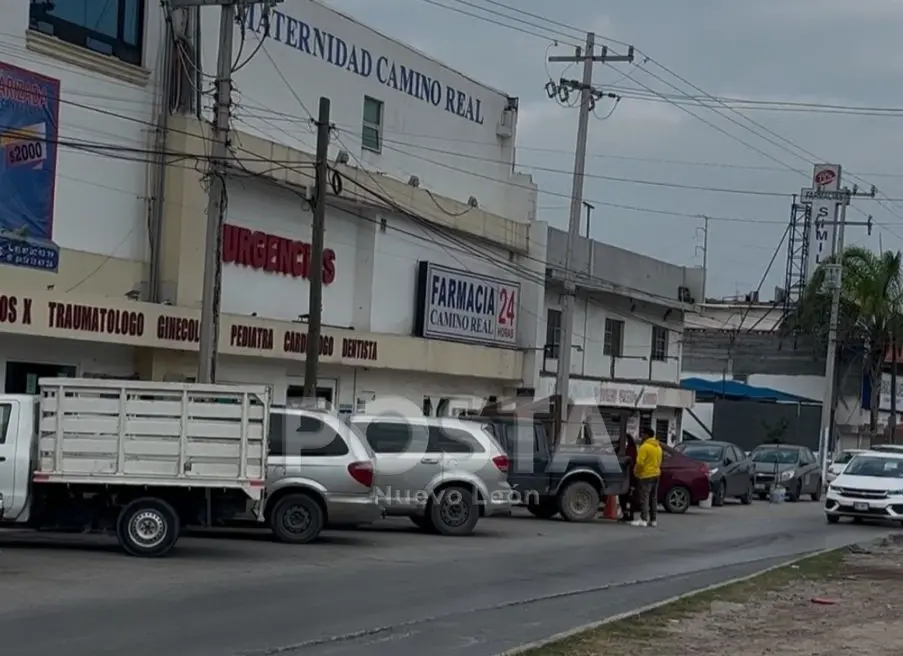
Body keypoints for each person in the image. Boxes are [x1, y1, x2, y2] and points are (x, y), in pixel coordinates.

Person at [631, 427, 663, 527]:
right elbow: (660, 461)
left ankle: (643, 519)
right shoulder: (658, 447)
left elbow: (640, 463)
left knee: (645, 497)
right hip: (656, 474)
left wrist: (636, 473)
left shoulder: (644, 447)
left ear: (647, 435)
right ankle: (653, 520)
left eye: (643, 434)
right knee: (653, 498)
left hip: (646, 475)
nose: (641, 436)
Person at [618, 433, 638, 523]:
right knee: (622, 496)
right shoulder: (620, 449)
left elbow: (633, 462)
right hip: (623, 476)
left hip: (631, 476)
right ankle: (625, 514)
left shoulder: (632, 450)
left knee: (630, 497)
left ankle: (630, 514)